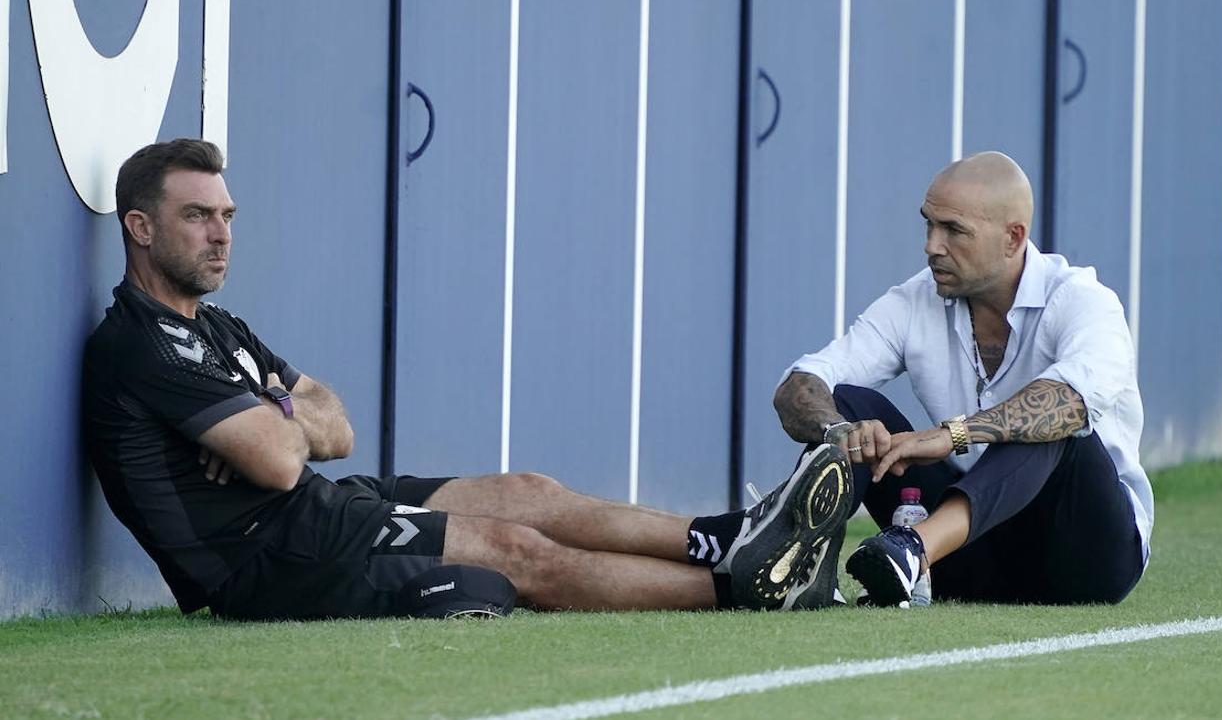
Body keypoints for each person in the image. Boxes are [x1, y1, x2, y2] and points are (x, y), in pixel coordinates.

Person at [81, 138, 855, 620]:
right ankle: (743, 590)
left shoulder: (216, 326)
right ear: (139, 228)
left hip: (314, 510)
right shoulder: (138, 344)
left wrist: (268, 407)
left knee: (529, 491)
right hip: (264, 560)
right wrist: (280, 422)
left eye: (228, 215)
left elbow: (334, 428)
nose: (221, 235)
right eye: (197, 217)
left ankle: (725, 540)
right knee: (513, 548)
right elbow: (285, 460)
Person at [773, 151, 1153, 606]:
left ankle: (913, 549)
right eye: (929, 225)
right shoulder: (917, 299)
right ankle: (791, 556)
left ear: (1013, 238)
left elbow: (1069, 402)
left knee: (1054, 421)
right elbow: (801, 383)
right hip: (975, 555)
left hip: (1085, 558)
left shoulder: (1084, 301)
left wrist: (951, 435)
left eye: (953, 230)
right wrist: (843, 432)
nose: (932, 245)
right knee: (853, 406)